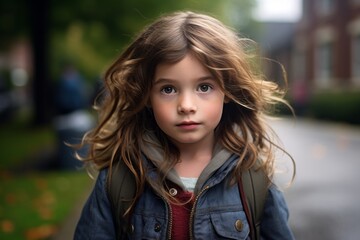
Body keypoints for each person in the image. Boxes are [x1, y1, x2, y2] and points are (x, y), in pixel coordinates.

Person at [74, 11, 295, 239]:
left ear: (226, 90)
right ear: (147, 96)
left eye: (204, 87)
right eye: (168, 89)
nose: (186, 106)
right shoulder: (121, 177)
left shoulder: (252, 177)